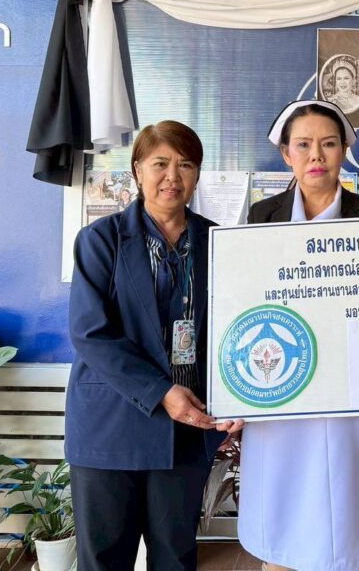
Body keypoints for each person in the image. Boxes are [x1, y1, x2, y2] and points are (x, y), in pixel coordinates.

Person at [65, 120, 242, 571]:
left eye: (185, 165)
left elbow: (234, 330)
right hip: (111, 429)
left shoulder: (220, 243)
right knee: (104, 561)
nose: (172, 177)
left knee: (176, 559)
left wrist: (240, 399)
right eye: (160, 164)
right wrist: (160, 391)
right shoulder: (100, 241)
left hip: (184, 435)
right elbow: (90, 333)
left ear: (197, 175)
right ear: (137, 170)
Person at [237, 100, 359, 571]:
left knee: (350, 516)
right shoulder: (261, 216)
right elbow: (244, 303)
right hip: (281, 381)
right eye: (304, 144)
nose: (316, 155)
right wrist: (238, 392)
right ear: (286, 154)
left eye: (328, 144)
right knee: (283, 516)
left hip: (354, 389)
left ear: (343, 151)